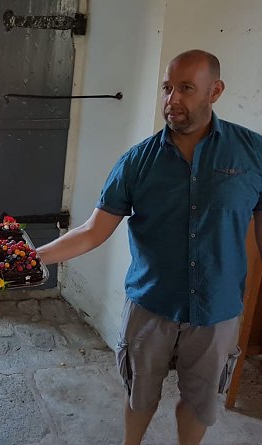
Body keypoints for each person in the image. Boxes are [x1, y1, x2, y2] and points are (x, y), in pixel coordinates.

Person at [36, 49, 262, 445]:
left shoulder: (253, 154)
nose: (172, 99)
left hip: (218, 310)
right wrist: (28, 259)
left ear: (216, 91)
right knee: (140, 396)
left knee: (200, 403)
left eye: (186, 88)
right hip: (150, 306)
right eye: (167, 88)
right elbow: (92, 231)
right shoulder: (138, 161)